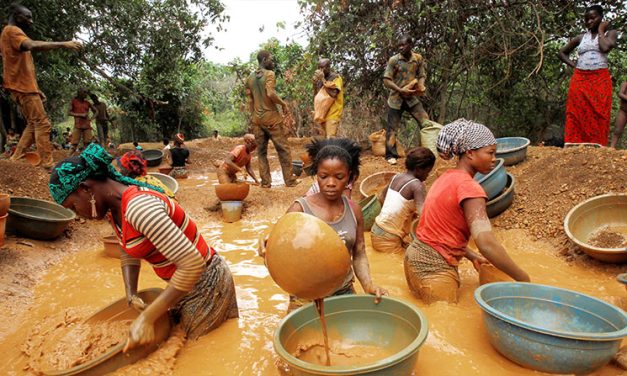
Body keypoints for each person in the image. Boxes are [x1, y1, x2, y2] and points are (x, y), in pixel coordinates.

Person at [48, 143, 238, 346]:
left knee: (197, 349)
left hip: (207, 284)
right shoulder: (115, 210)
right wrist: (131, 294)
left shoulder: (140, 208)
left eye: (73, 206)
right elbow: (127, 247)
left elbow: (192, 264)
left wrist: (147, 318)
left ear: (86, 189)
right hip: (184, 286)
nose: (78, 215)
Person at [405, 119, 530, 304]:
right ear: (470, 153)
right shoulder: (470, 188)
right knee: (446, 324)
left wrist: (471, 256)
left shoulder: (446, 178)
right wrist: (524, 279)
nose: (494, 159)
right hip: (434, 270)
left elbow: (441, 230)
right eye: (490, 153)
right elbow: (486, 244)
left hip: (413, 260)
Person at [261, 138, 387, 312]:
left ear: (349, 176)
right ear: (316, 175)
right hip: (305, 295)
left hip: (343, 291)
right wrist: (267, 247)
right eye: (323, 176)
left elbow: (359, 253)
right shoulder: (300, 209)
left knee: (350, 338)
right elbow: (278, 250)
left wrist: (368, 285)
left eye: (339, 177)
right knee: (304, 339)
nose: (331, 183)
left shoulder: (354, 210)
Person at [1, 3, 82, 168]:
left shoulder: (6, 33)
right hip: (22, 87)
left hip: (22, 87)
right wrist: (63, 44)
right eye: (27, 17)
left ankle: (16, 159)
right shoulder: (13, 31)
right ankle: (47, 163)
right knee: (42, 123)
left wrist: (36, 90)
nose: (31, 21)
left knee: (33, 123)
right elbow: (31, 45)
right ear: (17, 16)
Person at [558, 5, 618, 146]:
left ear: (601, 18)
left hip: (600, 78)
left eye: (593, 18)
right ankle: (575, 144)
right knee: (576, 111)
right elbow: (561, 52)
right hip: (580, 78)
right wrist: (574, 65)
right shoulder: (580, 37)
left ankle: (596, 145)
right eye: (586, 19)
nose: (589, 22)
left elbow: (605, 47)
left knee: (599, 112)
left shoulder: (611, 33)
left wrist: (601, 30)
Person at [245, 50, 298, 188]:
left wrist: (254, 117)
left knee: (261, 152)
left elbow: (250, 101)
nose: (272, 62)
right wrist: (283, 103)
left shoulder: (249, 78)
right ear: (263, 60)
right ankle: (290, 180)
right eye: (270, 59)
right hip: (272, 119)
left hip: (257, 121)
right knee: (283, 149)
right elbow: (270, 92)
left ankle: (266, 182)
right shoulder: (270, 74)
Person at [371, 147, 435, 254]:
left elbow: (381, 199)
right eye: (427, 172)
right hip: (389, 238)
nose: (428, 176)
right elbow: (423, 215)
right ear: (419, 169)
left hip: (376, 230)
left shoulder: (396, 177)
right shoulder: (417, 185)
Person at [383, 35, 428, 165]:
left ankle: (427, 151)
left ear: (410, 45)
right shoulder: (394, 60)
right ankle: (390, 155)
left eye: (403, 45)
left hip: (411, 98)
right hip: (396, 99)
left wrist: (421, 85)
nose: (401, 48)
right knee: (392, 128)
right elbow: (386, 80)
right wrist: (400, 89)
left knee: (425, 122)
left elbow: (421, 75)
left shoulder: (418, 58)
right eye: (399, 46)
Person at [312, 58, 344, 138]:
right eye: (319, 67)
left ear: (329, 67)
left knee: (330, 138)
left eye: (323, 67)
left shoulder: (336, 78)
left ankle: (335, 150)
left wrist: (322, 79)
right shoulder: (321, 80)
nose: (321, 70)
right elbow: (317, 96)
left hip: (333, 113)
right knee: (326, 138)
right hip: (323, 114)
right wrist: (315, 84)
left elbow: (333, 94)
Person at [68, 89, 98, 154]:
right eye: (84, 92)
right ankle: (67, 158)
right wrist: (80, 115)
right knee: (74, 144)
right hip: (78, 125)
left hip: (87, 125)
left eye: (86, 92)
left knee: (87, 143)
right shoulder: (74, 101)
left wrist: (91, 119)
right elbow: (69, 112)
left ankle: (84, 159)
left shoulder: (87, 103)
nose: (86, 94)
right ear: (79, 93)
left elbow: (96, 111)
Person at [610, 82, 626, 149]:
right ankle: (612, 147)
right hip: (623, 111)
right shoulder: (625, 84)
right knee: (617, 129)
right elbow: (620, 94)